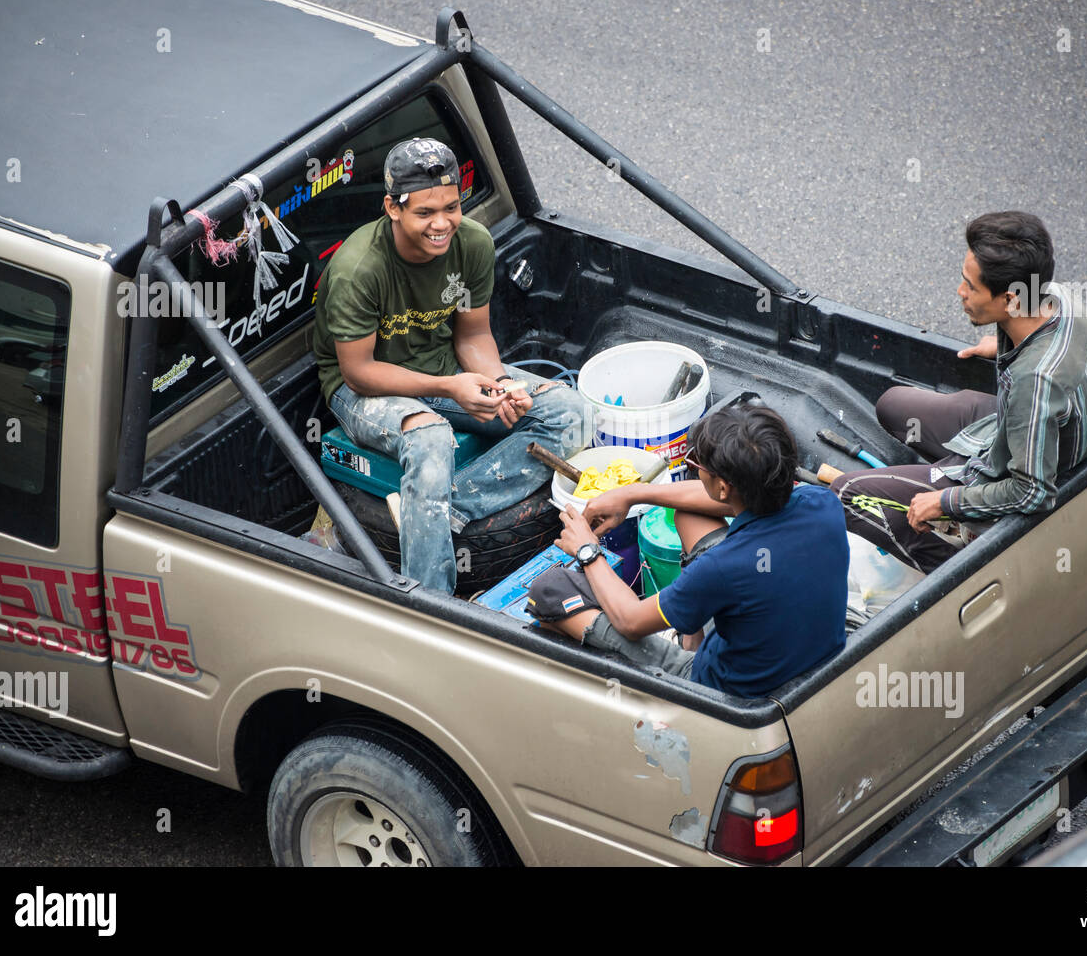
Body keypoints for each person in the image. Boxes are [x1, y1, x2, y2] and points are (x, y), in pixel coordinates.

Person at [313, 138, 587, 593]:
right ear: (392, 208)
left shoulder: (471, 243)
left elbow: (473, 335)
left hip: (443, 372)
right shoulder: (359, 269)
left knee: (571, 413)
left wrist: (498, 385)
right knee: (430, 440)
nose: (441, 224)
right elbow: (357, 371)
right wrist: (450, 387)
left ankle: (437, 509)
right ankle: (431, 603)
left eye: (451, 208)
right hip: (364, 390)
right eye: (425, 213)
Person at [829, 210, 1087, 573]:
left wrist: (946, 502)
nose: (960, 292)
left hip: (1026, 467)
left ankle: (955, 572)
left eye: (971, 286)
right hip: (1014, 429)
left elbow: (1033, 492)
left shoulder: (1035, 382)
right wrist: (1004, 344)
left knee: (845, 494)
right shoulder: (1054, 298)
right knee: (892, 405)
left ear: (1011, 299)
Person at [526, 405, 849, 698]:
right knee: (689, 515)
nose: (695, 470)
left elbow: (630, 621)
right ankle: (690, 639)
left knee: (547, 591)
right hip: (808, 656)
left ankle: (678, 661)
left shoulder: (723, 567)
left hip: (731, 690)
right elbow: (710, 500)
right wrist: (632, 495)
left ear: (723, 487)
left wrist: (587, 549)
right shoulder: (823, 504)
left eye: (697, 465)